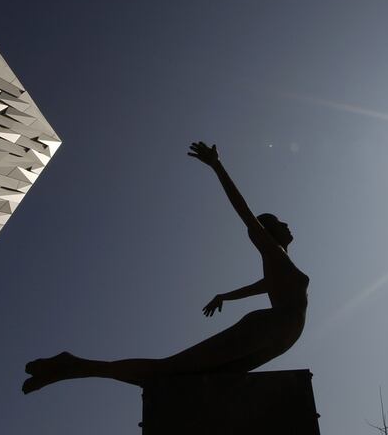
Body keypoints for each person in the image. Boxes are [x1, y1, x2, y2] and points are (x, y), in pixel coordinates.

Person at [22, 141, 309, 393]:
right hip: (269, 330)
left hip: (277, 338)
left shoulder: (281, 264)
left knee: (184, 380)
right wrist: (217, 166)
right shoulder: (273, 253)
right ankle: (73, 365)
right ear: (269, 231)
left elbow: (262, 287)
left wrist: (225, 296)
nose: (287, 224)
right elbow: (245, 213)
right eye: (280, 222)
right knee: (170, 371)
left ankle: (75, 366)